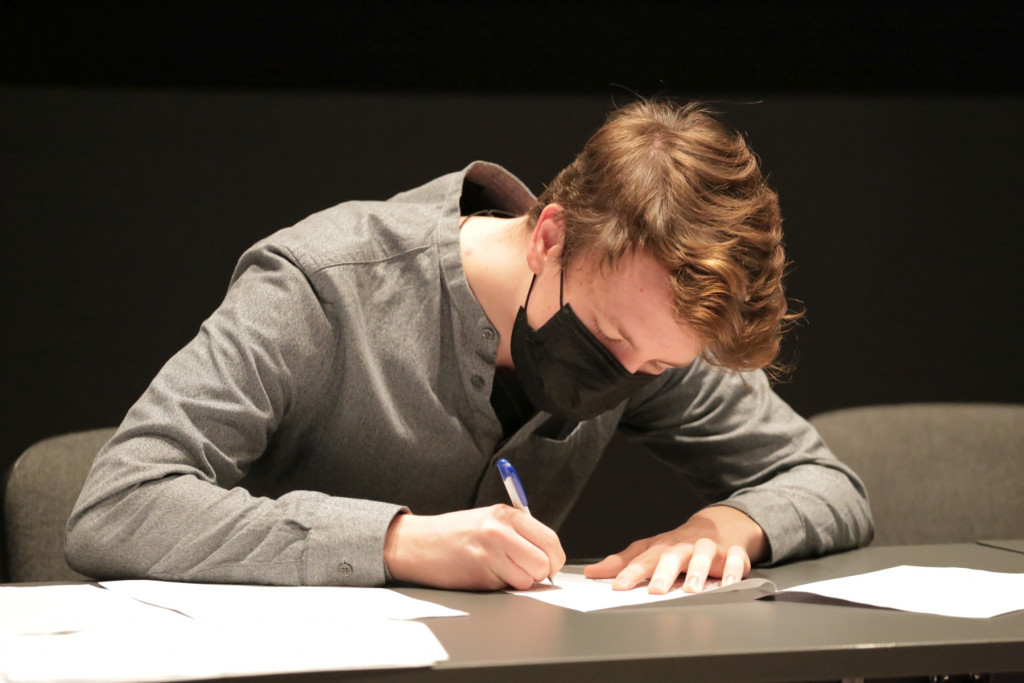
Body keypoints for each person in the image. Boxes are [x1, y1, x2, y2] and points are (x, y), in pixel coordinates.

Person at [66, 99, 873, 594]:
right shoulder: (323, 285)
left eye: (656, 366)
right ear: (550, 235)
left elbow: (825, 482)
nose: (625, 373)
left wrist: (725, 528)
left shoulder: (650, 331)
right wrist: (398, 541)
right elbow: (119, 503)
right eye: (609, 338)